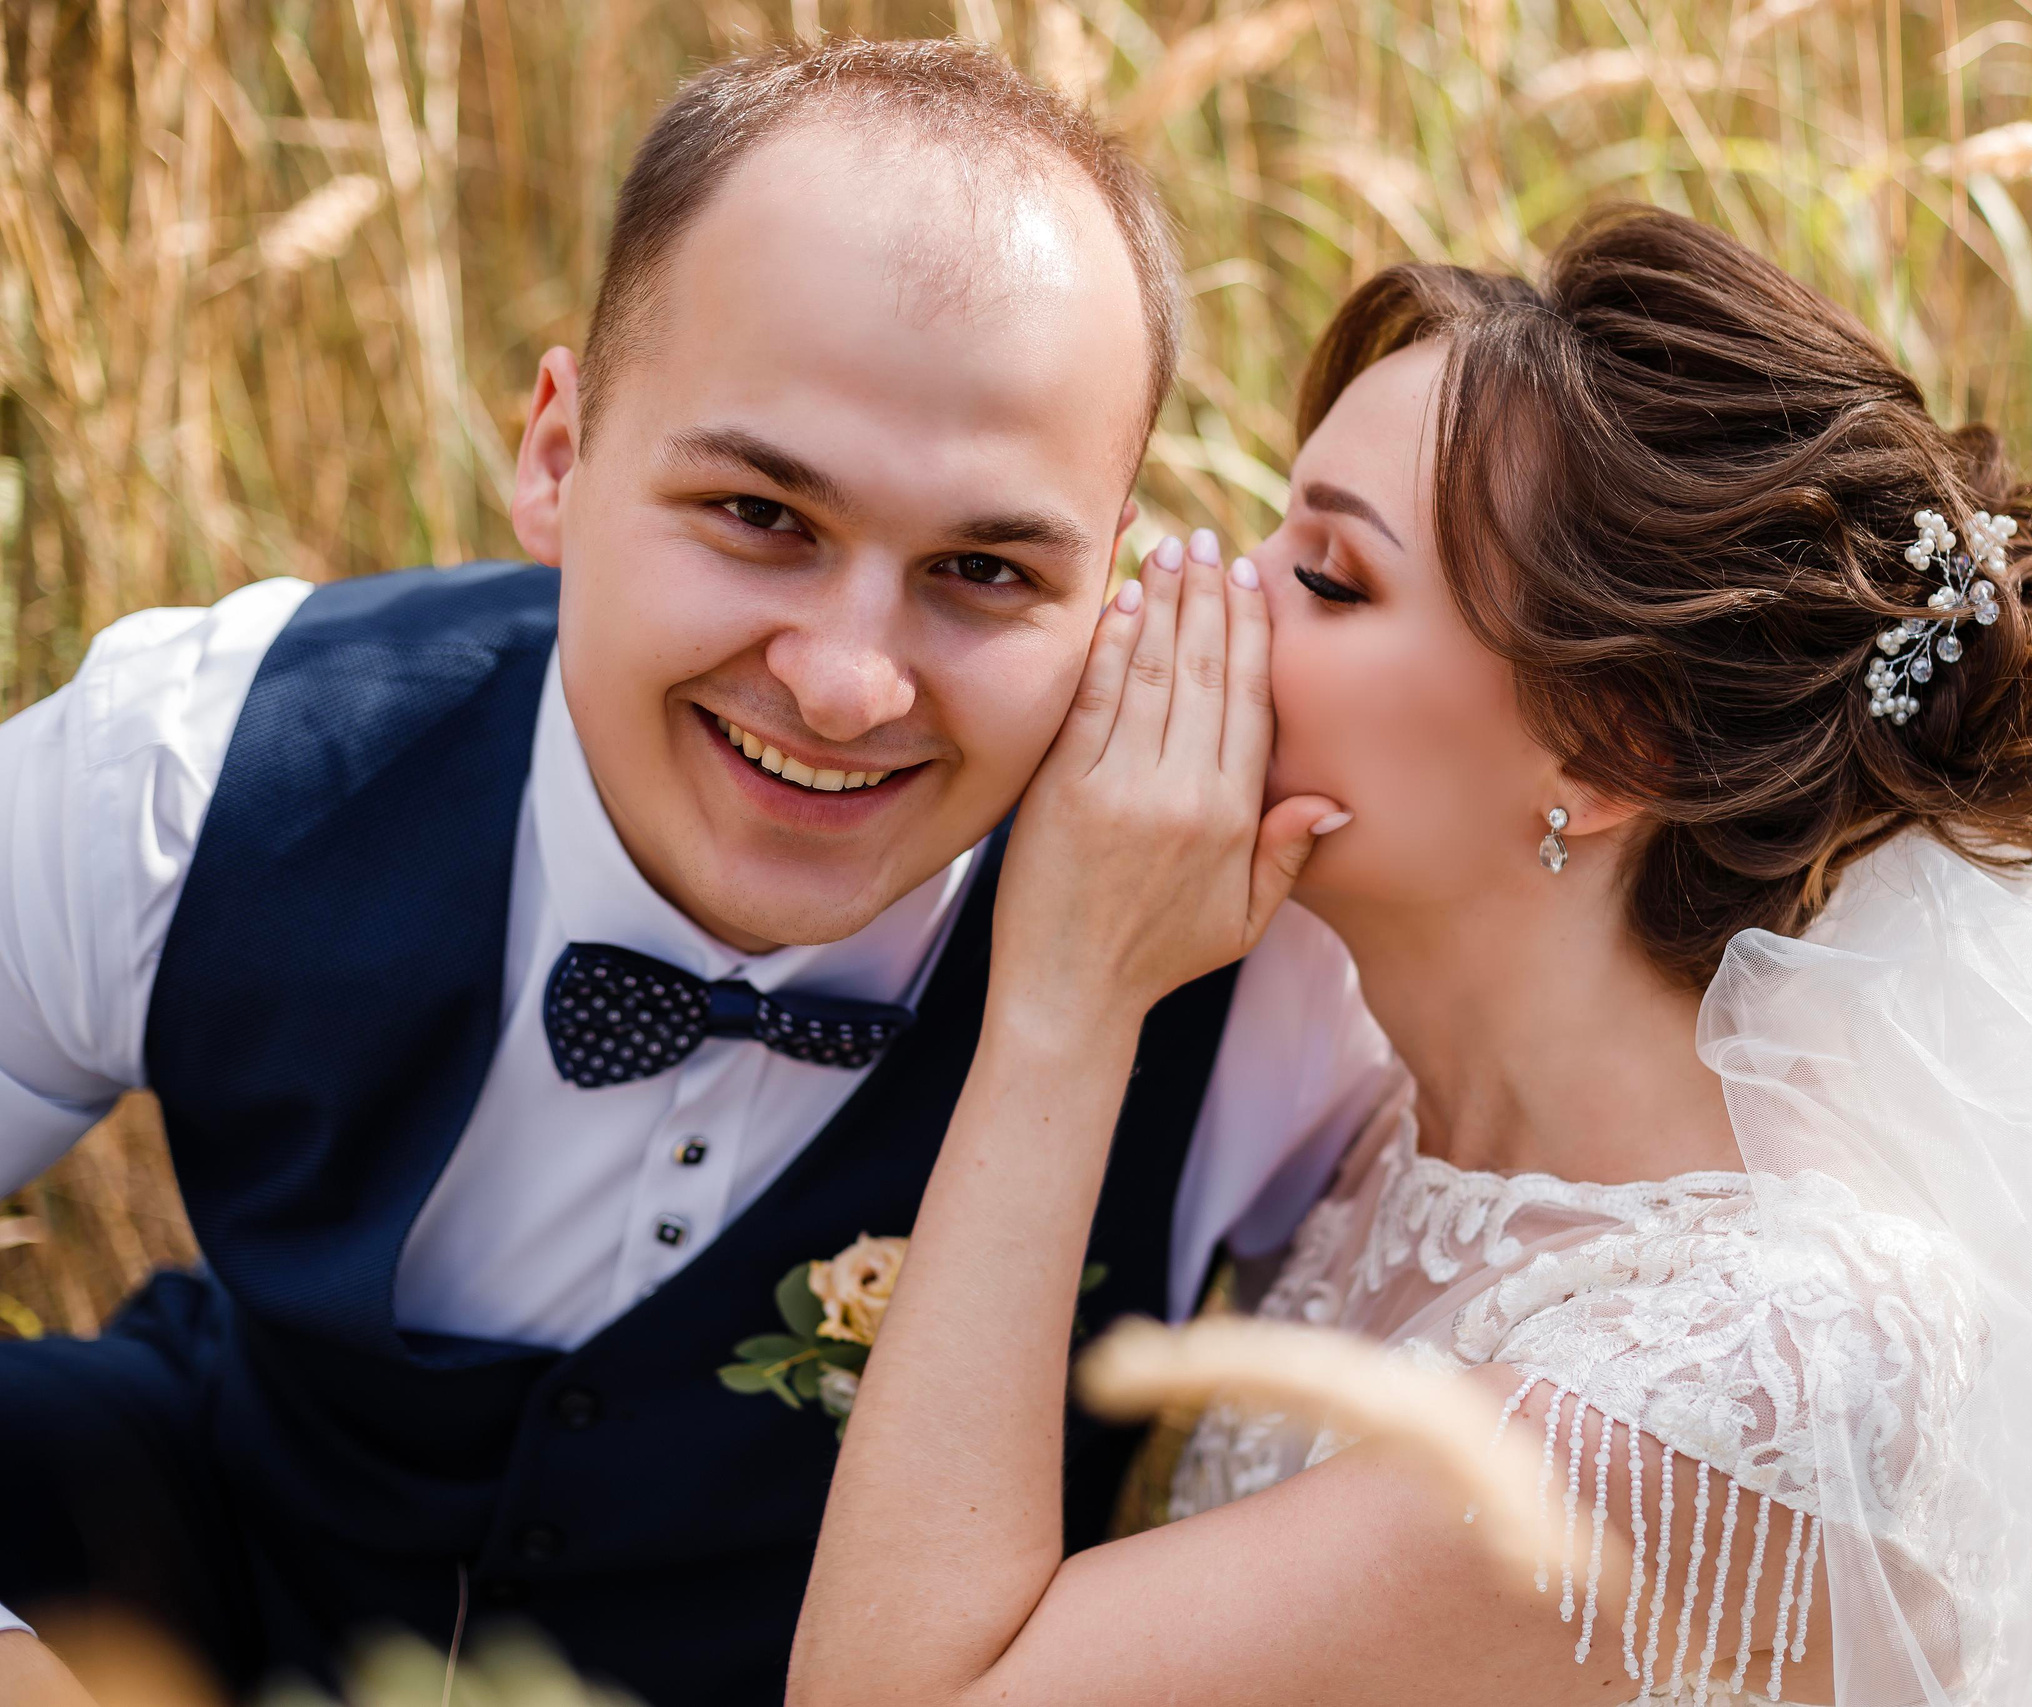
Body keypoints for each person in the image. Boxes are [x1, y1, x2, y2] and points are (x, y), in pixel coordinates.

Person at [785, 210, 2032, 1706]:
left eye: (1330, 576)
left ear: (1610, 749)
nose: (1204, 591)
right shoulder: (1398, 1125)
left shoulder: (1735, 1373)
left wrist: (1065, 1002)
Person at [0, 39, 1397, 1706]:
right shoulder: (206, 757)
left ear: (1114, 589)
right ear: (559, 454)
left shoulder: (1260, 964)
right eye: (759, 515)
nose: (847, 686)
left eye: (982, 568)